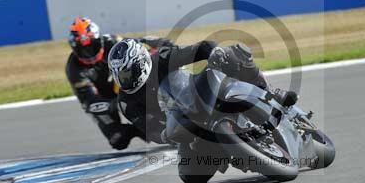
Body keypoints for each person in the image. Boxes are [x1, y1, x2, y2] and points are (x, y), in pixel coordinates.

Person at [107, 38, 298, 143]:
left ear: (141, 63)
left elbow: (200, 48)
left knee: (233, 54)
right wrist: (165, 135)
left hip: (196, 95)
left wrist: (215, 54)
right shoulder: (126, 102)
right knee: (192, 179)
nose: (123, 80)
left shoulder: (161, 59)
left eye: (126, 73)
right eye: (118, 75)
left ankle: (271, 92)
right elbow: (151, 129)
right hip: (183, 127)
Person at [65, 16, 173, 149]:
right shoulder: (74, 69)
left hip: (125, 85)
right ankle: (138, 128)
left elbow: (138, 49)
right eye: (82, 49)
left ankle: (164, 113)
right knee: (117, 139)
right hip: (105, 99)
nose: (88, 53)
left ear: (99, 40)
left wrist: (158, 48)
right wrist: (114, 104)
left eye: (92, 46)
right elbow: (90, 102)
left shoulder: (113, 42)